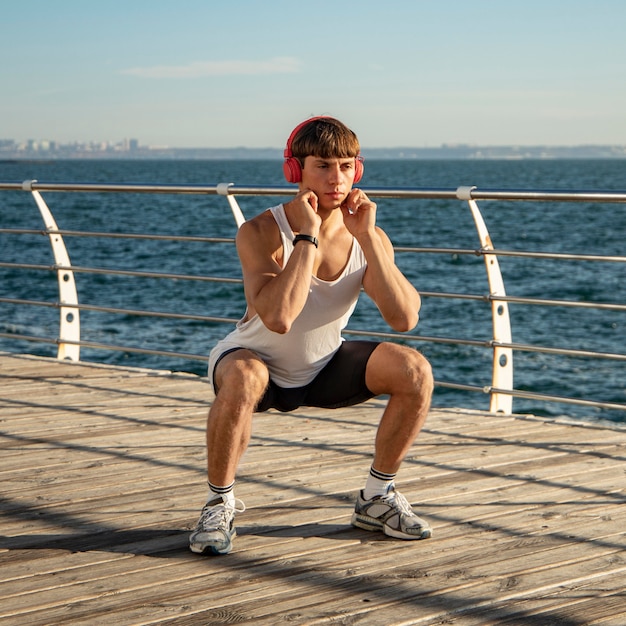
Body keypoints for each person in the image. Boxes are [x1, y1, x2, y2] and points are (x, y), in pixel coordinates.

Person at [189, 116, 434, 556]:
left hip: (323, 365)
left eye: (345, 166)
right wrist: (307, 235)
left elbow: (404, 318)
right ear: (295, 170)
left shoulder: (367, 236)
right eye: (322, 165)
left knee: (414, 370)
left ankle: (376, 498)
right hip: (252, 361)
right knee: (244, 376)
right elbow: (279, 317)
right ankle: (219, 504)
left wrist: (371, 240)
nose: (335, 179)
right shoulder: (261, 231)